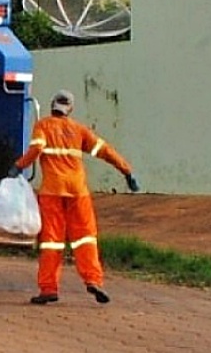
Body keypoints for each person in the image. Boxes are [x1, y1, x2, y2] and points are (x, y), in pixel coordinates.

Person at [13, 89, 141, 306]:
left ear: (52, 106)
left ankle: (48, 289)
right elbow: (106, 151)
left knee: (51, 241)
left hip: (52, 191)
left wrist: (18, 166)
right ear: (70, 109)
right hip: (78, 191)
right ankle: (93, 280)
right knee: (86, 237)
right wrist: (127, 172)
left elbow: (36, 150)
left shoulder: (43, 126)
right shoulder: (79, 130)